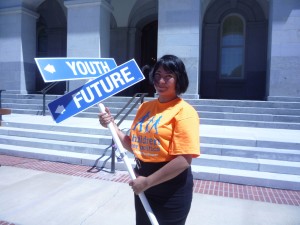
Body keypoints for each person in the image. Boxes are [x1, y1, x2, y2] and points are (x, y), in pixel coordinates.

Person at [98, 54, 200, 225]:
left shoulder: (185, 112)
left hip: (170, 190)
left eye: (168, 77)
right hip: (143, 183)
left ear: (179, 80)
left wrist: (148, 181)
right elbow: (135, 145)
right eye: (158, 75)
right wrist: (112, 125)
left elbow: (184, 160)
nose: (161, 81)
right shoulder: (145, 107)